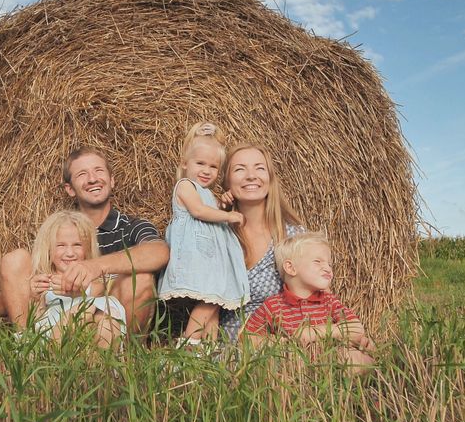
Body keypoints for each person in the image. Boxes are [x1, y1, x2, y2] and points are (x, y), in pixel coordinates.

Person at [0, 147, 170, 336]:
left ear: (112, 180)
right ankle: (24, 344)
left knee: (141, 279)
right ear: (70, 189)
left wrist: (94, 268)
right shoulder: (60, 231)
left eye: (99, 171)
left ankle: (126, 356)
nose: (92, 179)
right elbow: (18, 297)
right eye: (82, 174)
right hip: (59, 321)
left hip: (108, 321)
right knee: (15, 259)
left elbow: (159, 251)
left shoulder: (131, 227)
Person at [157, 122, 248, 345]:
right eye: (200, 163)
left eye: (213, 167)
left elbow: (210, 211)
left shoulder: (206, 193)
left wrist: (223, 205)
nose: (206, 171)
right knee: (208, 302)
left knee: (215, 302)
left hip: (211, 260)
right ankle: (189, 344)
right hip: (197, 257)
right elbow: (198, 211)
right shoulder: (185, 185)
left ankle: (207, 349)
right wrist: (229, 216)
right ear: (185, 164)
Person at [242, 231, 375, 364]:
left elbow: (357, 328)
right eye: (318, 261)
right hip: (294, 367)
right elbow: (248, 338)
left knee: (354, 359)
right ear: (290, 268)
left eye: (329, 264)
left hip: (330, 363)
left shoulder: (328, 301)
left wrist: (312, 333)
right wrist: (284, 343)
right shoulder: (273, 305)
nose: (328, 269)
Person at [218, 143, 305, 342]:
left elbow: (317, 296)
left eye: (259, 168)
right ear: (227, 182)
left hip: (289, 334)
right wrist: (218, 211)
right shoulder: (219, 235)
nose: (251, 176)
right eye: (240, 169)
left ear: (270, 179)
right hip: (239, 342)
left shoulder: (293, 235)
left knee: (359, 360)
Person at [28, 210, 125, 349]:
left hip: (91, 327)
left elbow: (96, 291)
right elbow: (36, 322)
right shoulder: (43, 280)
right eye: (60, 245)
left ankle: (101, 366)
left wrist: (77, 289)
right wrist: (35, 298)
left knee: (106, 318)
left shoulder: (97, 279)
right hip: (54, 332)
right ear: (48, 248)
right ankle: (54, 356)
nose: (70, 253)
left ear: (88, 248)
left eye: (77, 245)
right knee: (86, 308)